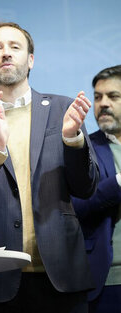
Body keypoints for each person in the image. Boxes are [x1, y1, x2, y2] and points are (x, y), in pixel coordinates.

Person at [0, 22, 99, 313]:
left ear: (30, 59)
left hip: (60, 278)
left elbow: (86, 188)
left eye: (15, 47)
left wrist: (72, 140)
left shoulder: (63, 109)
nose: (6, 54)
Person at [72, 65, 121, 313]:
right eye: (98, 96)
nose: (103, 104)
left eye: (113, 96)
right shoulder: (83, 148)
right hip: (109, 280)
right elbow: (76, 206)